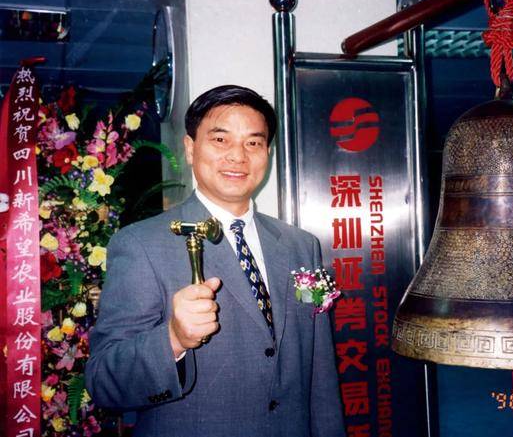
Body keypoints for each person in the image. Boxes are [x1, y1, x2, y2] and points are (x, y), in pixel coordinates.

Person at [86, 85, 346, 437]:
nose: (238, 156)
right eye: (220, 140)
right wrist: (173, 339)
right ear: (190, 148)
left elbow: (320, 368)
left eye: (253, 142)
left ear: (267, 152)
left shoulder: (302, 246)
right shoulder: (140, 244)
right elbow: (103, 382)